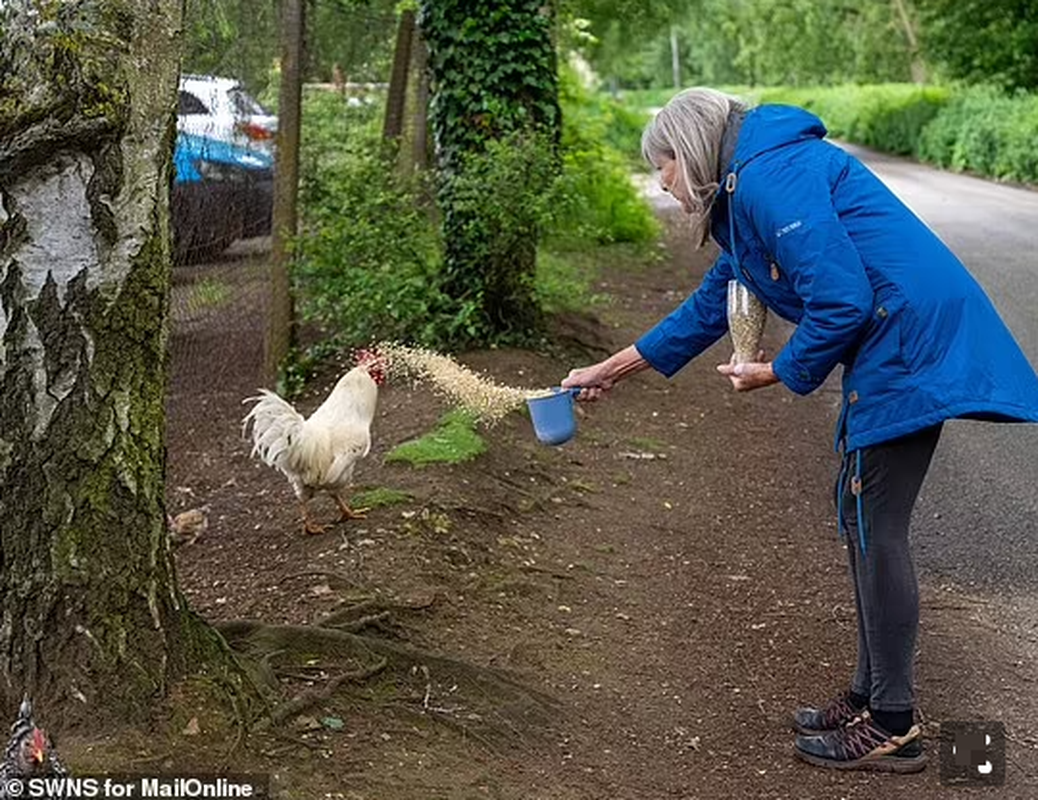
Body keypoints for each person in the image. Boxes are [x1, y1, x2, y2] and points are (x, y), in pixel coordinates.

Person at [561, 87, 1038, 773]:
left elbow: (844, 298)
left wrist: (779, 370)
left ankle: (893, 724)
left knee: (877, 527)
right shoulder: (748, 188)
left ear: (688, 151)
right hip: (893, 337)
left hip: (907, 339)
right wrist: (610, 368)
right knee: (859, 519)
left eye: (660, 166)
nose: (660, 183)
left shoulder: (769, 176)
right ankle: (869, 697)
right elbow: (705, 310)